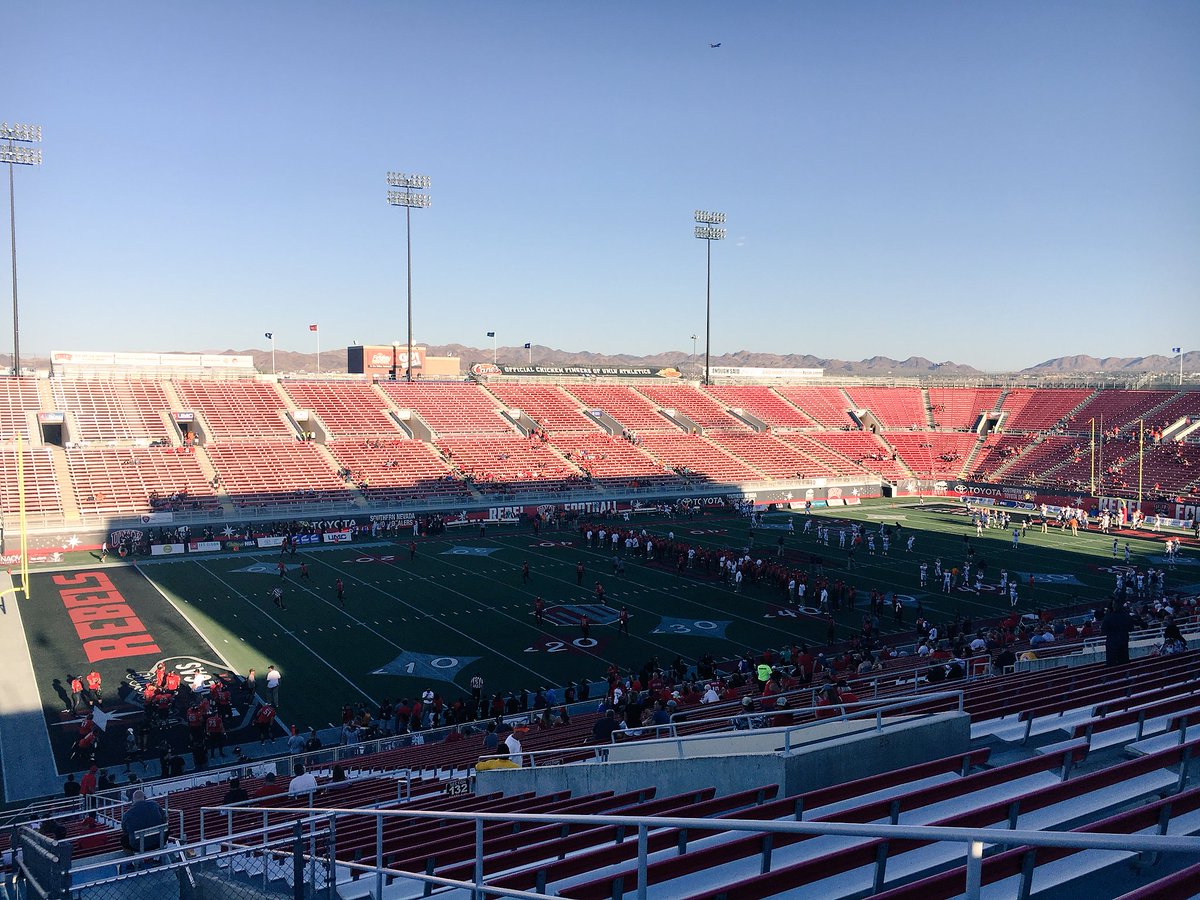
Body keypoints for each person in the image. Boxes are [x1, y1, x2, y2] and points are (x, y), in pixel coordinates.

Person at [120, 789, 167, 854]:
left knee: (124, 839)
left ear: (133, 801)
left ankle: (131, 861)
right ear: (144, 798)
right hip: (159, 840)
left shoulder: (127, 814)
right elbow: (164, 819)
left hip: (138, 846)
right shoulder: (155, 805)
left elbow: (124, 830)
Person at [1102, 603, 1133, 667]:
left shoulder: (1108, 617)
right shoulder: (1126, 615)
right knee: (1124, 664)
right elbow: (1131, 628)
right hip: (1123, 642)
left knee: (1112, 665)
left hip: (1112, 645)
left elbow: (1103, 631)